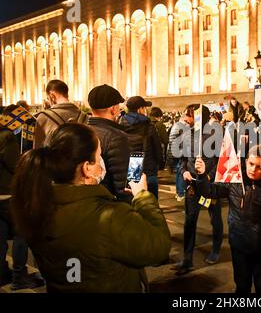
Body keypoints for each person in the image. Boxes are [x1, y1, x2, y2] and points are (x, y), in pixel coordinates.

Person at [10, 123, 171, 292]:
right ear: (86, 168)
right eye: (99, 157)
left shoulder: (37, 206)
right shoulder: (108, 217)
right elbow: (158, 248)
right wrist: (143, 197)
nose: (102, 167)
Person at [195, 145, 261, 293]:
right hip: (239, 245)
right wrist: (202, 175)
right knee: (242, 286)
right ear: (246, 161)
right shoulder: (234, 181)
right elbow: (210, 191)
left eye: (259, 167)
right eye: (251, 164)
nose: (253, 170)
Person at [174, 105, 224, 275]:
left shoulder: (214, 135)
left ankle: (216, 250)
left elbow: (220, 160)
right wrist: (184, 172)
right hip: (192, 185)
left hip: (209, 185)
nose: (186, 119)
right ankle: (187, 259)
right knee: (189, 221)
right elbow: (181, 161)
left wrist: (209, 176)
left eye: (189, 115)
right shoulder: (186, 135)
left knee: (215, 218)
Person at [0, 105, 44, 290]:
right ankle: (19, 276)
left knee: (0, 235)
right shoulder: (7, 137)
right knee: (21, 234)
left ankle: (2, 273)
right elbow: (15, 165)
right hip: (10, 194)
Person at [87, 85, 131, 202]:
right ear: (113, 109)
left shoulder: (80, 132)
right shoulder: (117, 137)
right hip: (110, 205)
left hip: (88, 202)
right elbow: (127, 183)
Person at [118, 96, 163, 198]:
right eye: (144, 108)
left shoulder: (120, 124)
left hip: (131, 169)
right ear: (139, 109)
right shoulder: (149, 125)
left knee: (134, 201)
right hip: (148, 168)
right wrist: (160, 164)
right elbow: (157, 148)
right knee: (150, 202)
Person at [34, 80, 88, 148]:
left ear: (52, 95)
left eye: (48, 98)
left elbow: (38, 150)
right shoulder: (85, 116)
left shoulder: (44, 117)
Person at [168, 105, 195, 202]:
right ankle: (180, 193)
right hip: (179, 152)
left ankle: (178, 192)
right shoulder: (182, 127)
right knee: (181, 172)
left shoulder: (176, 125)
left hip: (175, 151)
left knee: (179, 172)